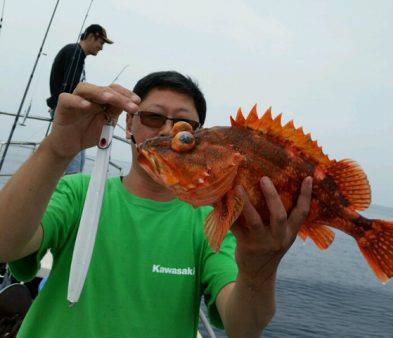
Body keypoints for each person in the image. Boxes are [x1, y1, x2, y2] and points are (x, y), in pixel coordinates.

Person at [0, 71, 312, 338]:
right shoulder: (78, 192)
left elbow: (244, 328)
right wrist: (57, 147)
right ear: (129, 124)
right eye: (153, 117)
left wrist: (260, 268)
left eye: (183, 128)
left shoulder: (211, 223)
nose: (165, 130)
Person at [46, 24, 113, 174]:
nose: (101, 48)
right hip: (68, 118)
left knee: (77, 164)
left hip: (71, 117)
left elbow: (72, 89)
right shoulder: (74, 52)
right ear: (91, 36)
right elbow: (71, 92)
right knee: (72, 169)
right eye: (101, 42)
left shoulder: (77, 55)